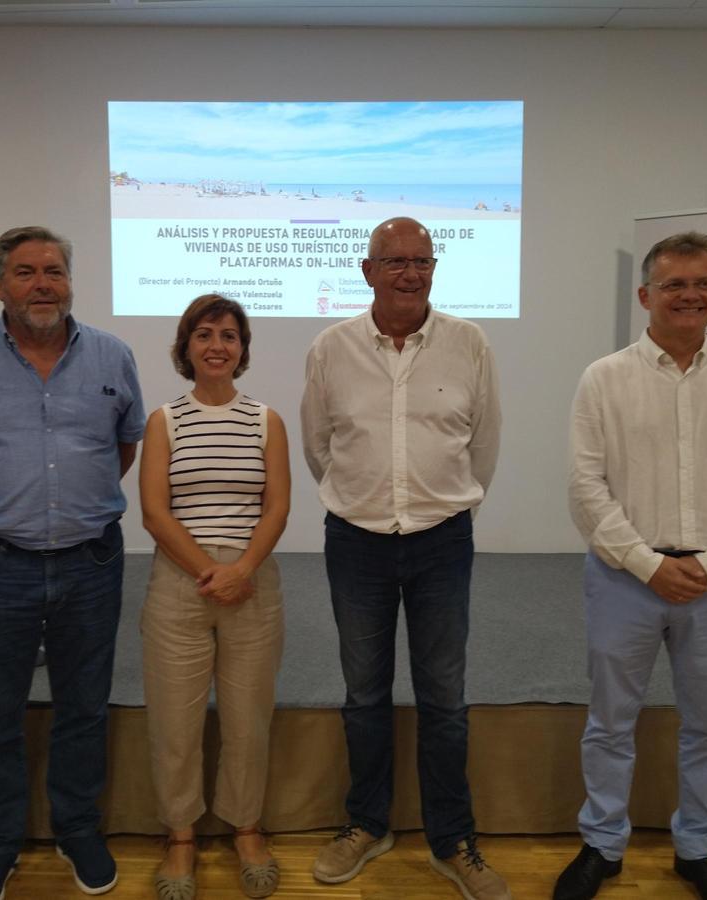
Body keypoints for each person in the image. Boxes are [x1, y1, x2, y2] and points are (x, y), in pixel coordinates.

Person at [555, 232, 707, 900]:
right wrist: (646, 563)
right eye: (675, 284)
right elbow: (585, 487)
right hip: (624, 580)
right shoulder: (605, 378)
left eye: (703, 284)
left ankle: (698, 849)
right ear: (645, 295)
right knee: (609, 723)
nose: (690, 295)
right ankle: (602, 844)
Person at [0, 226, 145, 900]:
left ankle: (78, 827)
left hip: (90, 563)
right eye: (24, 272)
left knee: (84, 708)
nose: (41, 283)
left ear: (70, 281)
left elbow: (123, 447)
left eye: (53, 270)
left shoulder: (112, 355)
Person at [300, 217, 506, 900]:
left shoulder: (469, 344)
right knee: (364, 695)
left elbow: (483, 444)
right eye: (394, 261)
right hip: (356, 541)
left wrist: (445, 508)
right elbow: (319, 444)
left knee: (444, 698)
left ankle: (454, 840)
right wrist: (363, 501)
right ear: (367, 271)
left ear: (434, 268)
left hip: (442, 541)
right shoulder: (330, 348)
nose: (409, 273)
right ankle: (367, 824)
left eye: (421, 260)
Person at [139, 294, 290, 900]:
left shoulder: (266, 420)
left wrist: (241, 568)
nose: (217, 345)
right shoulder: (164, 421)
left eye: (229, 335)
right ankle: (180, 836)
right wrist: (209, 570)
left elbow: (277, 506)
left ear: (243, 350)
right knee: (174, 720)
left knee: (248, 719)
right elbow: (154, 511)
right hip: (180, 582)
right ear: (186, 347)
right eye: (204, 334)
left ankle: (245, 828)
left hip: (252, 582)